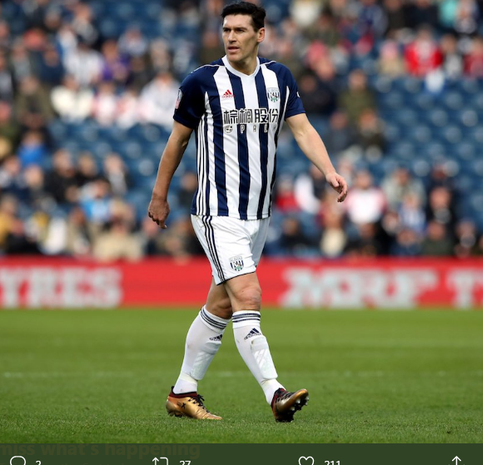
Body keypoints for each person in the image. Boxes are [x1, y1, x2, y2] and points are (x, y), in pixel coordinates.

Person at [147, 1, 348, 422]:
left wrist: (328, 169)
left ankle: (182, 392)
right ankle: (275, 393)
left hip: (258, 215)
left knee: (222, 304)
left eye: (240, 30)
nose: (231, 37)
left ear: (261, 34)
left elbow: (303, 129)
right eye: (226, 30)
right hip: (216, 212)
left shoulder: (279, 79)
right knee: (249, 295)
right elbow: (177, 142)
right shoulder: (201, 82)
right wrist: (160, 194)